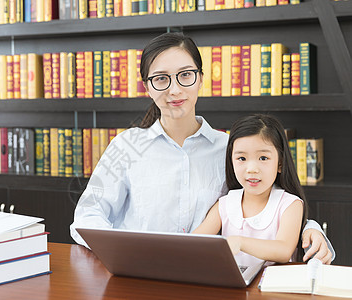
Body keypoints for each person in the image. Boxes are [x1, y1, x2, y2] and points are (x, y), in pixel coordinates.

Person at [70, 32, 334, 264]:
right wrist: (125, 253)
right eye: (161, 79)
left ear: (200, 79)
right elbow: (88, 214)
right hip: (137, 273)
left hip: (205, 278)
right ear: (147, 87)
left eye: (185, 75)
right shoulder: (125, 146)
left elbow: (264, 200)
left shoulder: (230, 150)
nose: (174, 89)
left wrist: (308, 229)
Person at [193, 114, 307, 266]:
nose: (252, 169)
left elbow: (284, 250)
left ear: (280, 163)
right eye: (242, 159)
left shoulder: (289, 204)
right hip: (233, 285)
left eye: (263, 158)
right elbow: (194, 243)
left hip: (272, 286)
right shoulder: (226, 203)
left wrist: (240, 242)